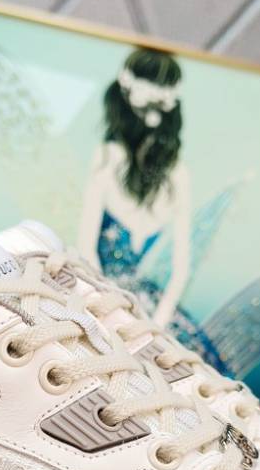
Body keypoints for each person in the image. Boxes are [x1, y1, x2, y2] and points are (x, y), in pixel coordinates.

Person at [78, 48, 191, 327]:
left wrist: (157, 325)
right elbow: (85, 249)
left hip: (144, 312)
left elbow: (181, 270)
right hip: (101, 302)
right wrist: (106, 310)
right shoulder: (108, 157)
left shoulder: (176, 173)